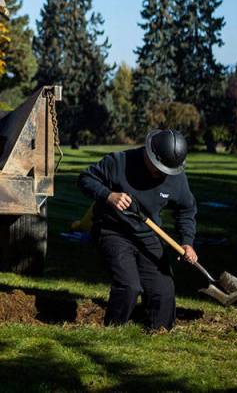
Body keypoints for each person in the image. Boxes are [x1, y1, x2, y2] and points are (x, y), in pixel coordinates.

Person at [77, 129, 198, 330]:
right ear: (149, 154)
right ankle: (113, 331)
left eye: (167, 170)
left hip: (148, 234)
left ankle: (159, 333)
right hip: (113, 230)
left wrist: (187, 241)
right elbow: (85, 179)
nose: (161, 173)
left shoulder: (175, 177)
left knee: (164, 292)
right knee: (129, 287)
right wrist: (108, 195)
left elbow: (186, 210)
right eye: (159, 168)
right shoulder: (119, 161)